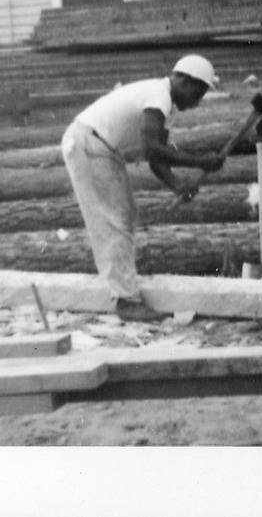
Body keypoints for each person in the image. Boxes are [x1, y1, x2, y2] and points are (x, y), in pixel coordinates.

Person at [61, 54, 224, 322]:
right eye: (198, 91)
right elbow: (152, 148)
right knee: (116, 218)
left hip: (95, 144)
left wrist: (177, 185)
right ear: (183, 79)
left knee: (123, 215)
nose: (198, 101)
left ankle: (124, 289)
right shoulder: (158, 95)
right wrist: (199, 161)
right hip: (89, 143)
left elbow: (155, 160)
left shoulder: (165, 106)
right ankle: (126, 300)